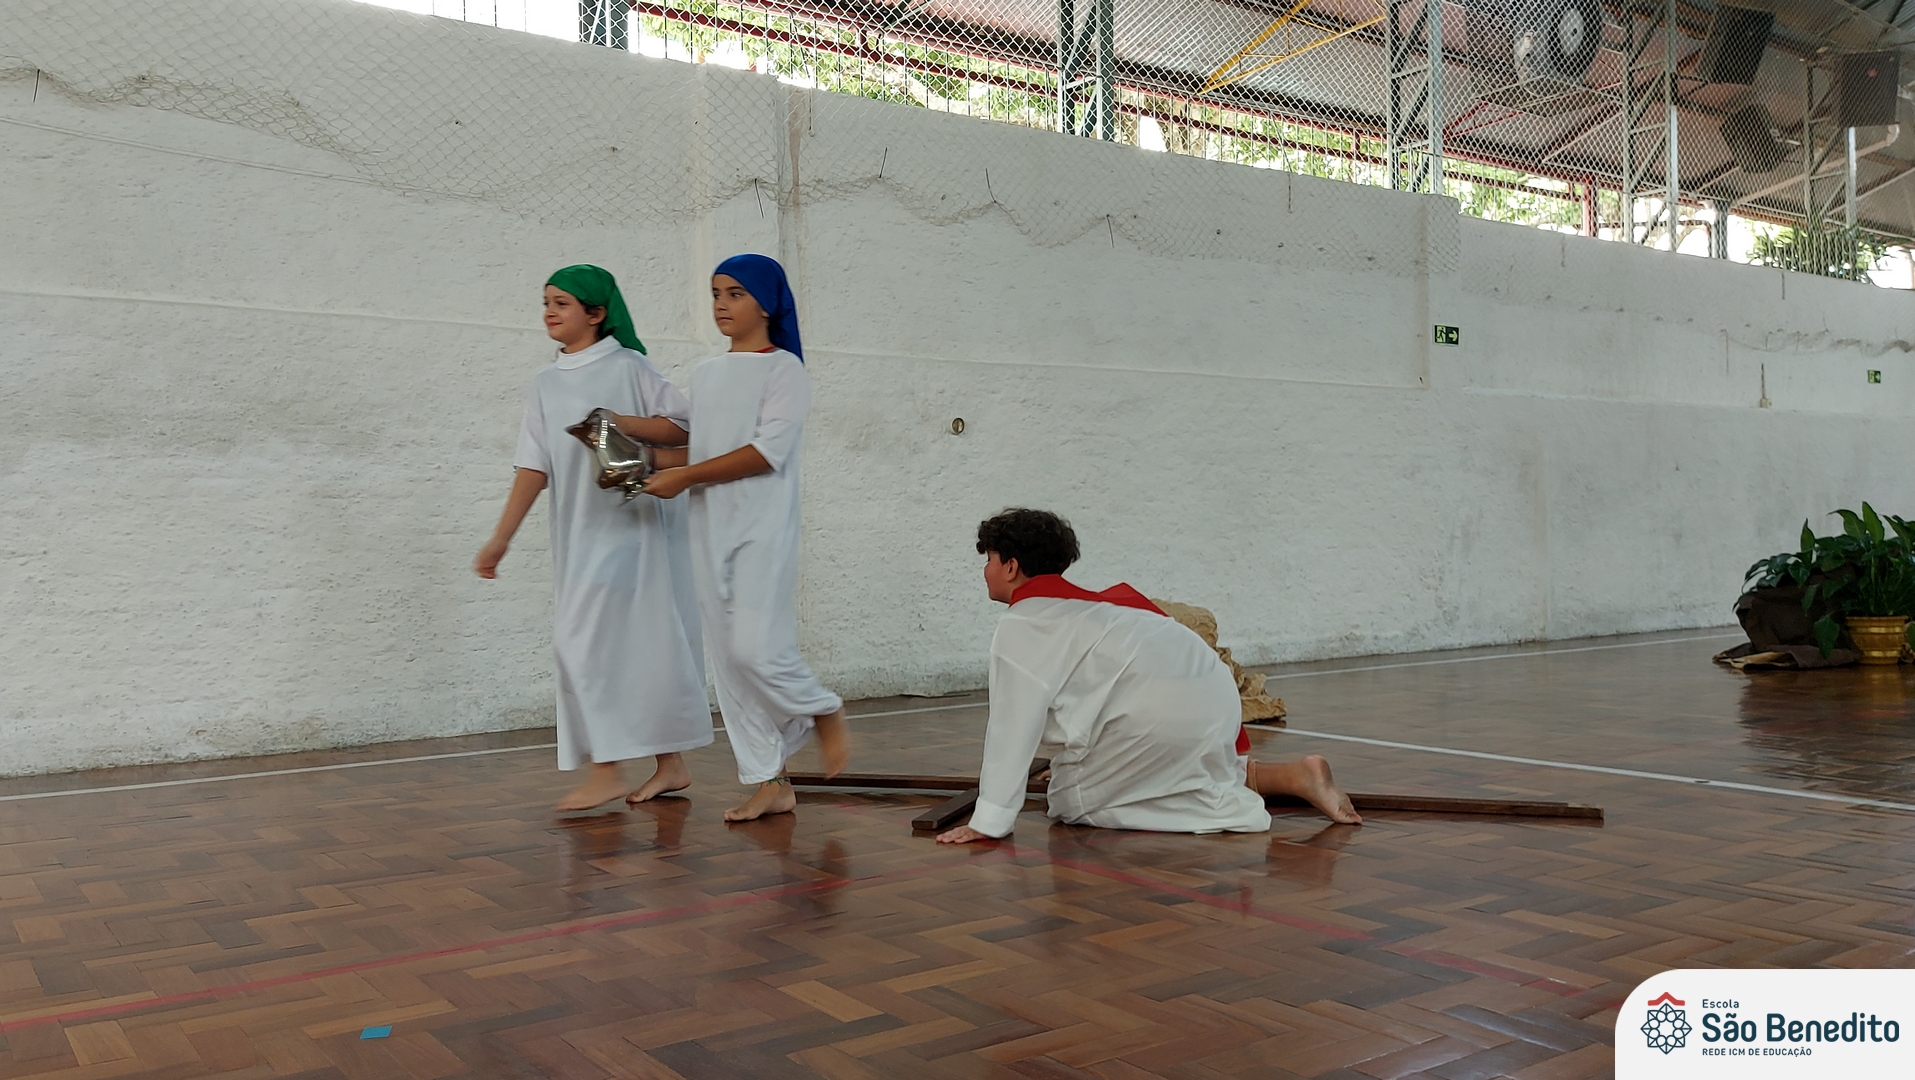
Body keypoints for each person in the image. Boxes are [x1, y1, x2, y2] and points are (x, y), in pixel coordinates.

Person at [937, 508, 1362, 844]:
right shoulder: (1101, 609)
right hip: (1213, 709)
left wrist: (990, 819)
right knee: (1173, 767)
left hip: (1163, 725)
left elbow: (1013, 727)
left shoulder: (1023, 624)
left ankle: (1137, 778)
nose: (985, 570)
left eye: (989, 560)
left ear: (1011, 567)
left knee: (1069, 799)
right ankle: (1293, 775)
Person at [474, 265, 712, 813]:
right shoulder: (546, 382)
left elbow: (685, 427)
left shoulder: (628, 365)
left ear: (597, 313)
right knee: (632, 645)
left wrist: (620, 422)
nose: (549, 312)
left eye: (562, 303)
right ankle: (671, 764)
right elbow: (533, 465)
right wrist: (501, 538)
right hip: (579, 537)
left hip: (634, 534)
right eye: (546, 302)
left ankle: (607, 771)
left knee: (581, 642)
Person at [639, 254, 849, 822]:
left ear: (766, 303)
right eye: (716, 294)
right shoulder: (708, 373)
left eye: (735, 294)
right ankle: (771, 781)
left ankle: (821, 708)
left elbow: (763, 453)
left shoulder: (785, 371)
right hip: (707, 527)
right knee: (730, 661)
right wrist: (643, 461)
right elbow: (704, 449)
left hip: (762, 528)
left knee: (756, 648)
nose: (721, 305)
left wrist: (684, 477)